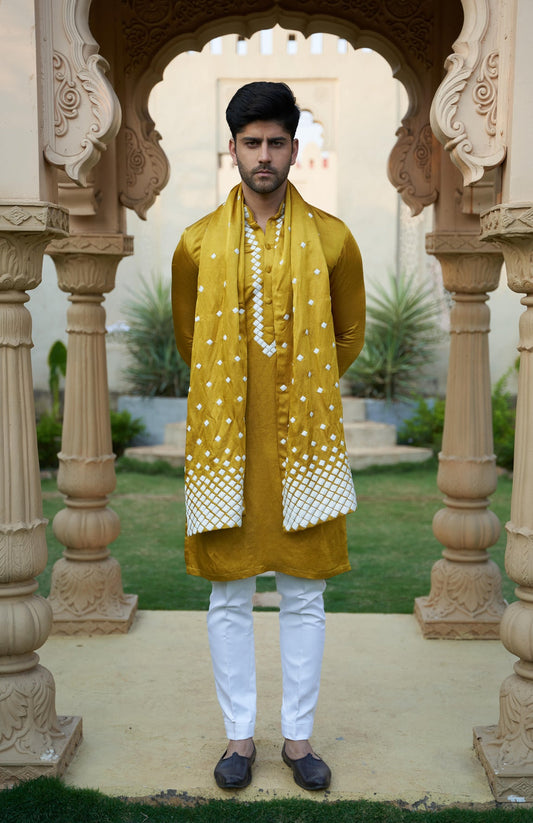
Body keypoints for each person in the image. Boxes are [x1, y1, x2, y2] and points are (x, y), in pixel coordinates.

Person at [171, 81, 365, 792]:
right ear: (233, 148)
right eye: (250, 142)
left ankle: (298, 738)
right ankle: (238, 738)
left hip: (304, 445)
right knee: (228, 595)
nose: (263, 155)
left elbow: (348, 335)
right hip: (228, 446)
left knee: (304, 592)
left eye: (275, 141)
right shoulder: (194, 244)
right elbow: (190, 339)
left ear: (293, 146)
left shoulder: (335, 239)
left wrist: (299, 384)